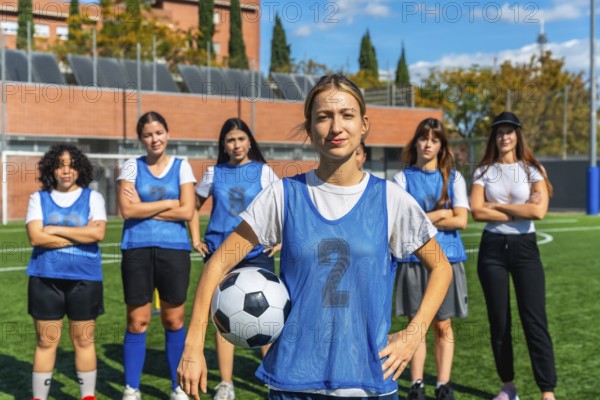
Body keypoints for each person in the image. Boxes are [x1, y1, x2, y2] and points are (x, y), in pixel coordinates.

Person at [177, 73, 453, 400]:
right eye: (324, 117)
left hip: (368, 382)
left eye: (347, 115)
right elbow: (218, 264)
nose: (336, 127)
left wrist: (413, 332)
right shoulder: (283, 194)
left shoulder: (390, 198)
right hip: (292, 383)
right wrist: (193, 346)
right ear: (309, 130)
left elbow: (442, 267)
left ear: (364, 125)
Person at [189, 117, 279, 400]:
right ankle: (226, 384)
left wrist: (280, 239)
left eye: (240, 139)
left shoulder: (264, 172)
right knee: (223, 318)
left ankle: (274, 379)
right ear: (223, 145)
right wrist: (195, 238)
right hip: (220, 254)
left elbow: (283, 205)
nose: (236, 144)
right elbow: (191, 205)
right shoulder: (213, 174)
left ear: (249, 141)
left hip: (256, 253)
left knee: (269, 316)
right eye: (230, 140)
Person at [470, 111, 557, 400]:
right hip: (492, 249)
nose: (504, 136)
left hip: (525, 249)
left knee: (534, 321)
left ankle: (547, 391)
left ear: (518, 135)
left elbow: (538, 211)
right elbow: (477, 211)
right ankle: (508, 387)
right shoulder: (484, 171)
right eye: (499, 132)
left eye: (509, 131)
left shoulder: (533, 169)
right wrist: (518, 208)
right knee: (500, 322)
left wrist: (498, 206)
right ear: (494, 138)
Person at [117, 111, 196, 400]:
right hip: (136, 249)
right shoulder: (130, 166)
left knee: (173, 320)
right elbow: (127, 211)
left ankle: (178, 387)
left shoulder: (183, 166)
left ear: (168, 133)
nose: (154, 139)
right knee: (137, 321)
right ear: (141, 138)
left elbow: (188, 211)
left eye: (159, 132)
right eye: (148, 135)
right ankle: (132, 388)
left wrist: (146, 206)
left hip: (174, 250)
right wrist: (169, 203)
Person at [392, 118, 469, 400]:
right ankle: (417, 384)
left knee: (443, 324)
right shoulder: (401, 179)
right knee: (417, 325)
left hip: (447, 260)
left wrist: (424, 219)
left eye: (434, 140)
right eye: (423, 138)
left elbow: (461, 220)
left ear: (441, 145)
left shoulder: (454, 178)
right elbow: (402, 223)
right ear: (416, 142)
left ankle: (443, 385)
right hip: (413, 261)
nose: (428, 144)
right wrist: (440, 215)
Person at [26, 144, 107, 400]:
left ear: (79, 168)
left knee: (83, 341)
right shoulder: (38, 198)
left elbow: (99, 233)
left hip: (85, 279)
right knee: (46, 342)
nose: (66, 170)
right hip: (45, 278)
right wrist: (81, 235)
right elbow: (36, 238)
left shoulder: (93, 197)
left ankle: (88, 396)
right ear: (51, 168)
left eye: (71, 164)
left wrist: (54, 229)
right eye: (60, 164)